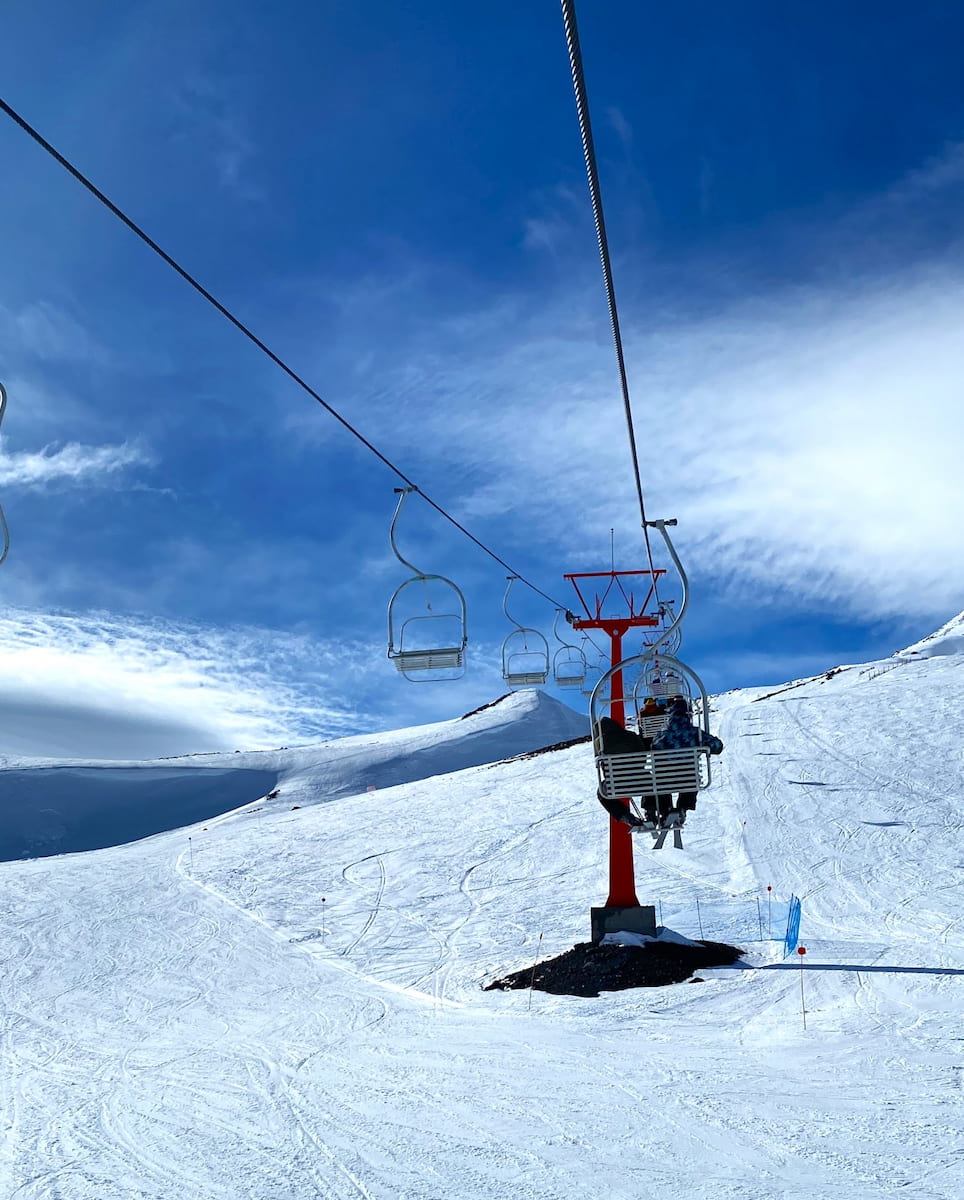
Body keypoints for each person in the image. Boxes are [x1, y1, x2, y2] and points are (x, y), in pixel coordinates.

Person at [651, 696, 723, 824]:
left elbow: (652, 750)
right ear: (688, 715)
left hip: (663, 781)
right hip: (687, 780)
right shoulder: (694, 733)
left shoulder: (661, 734)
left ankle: (665, 809)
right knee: (690, 774)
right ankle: (682, 807)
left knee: (659, 776)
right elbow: (718, 747)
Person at [595, 716, 666, 830]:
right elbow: (643, 753)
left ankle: (626, 817)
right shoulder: (631, 736)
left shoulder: (600, 743)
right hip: (641, 780)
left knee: (601, 792)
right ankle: (651, 812)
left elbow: (602, 764)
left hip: (615, 785)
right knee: (652, 780)